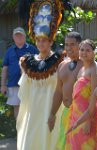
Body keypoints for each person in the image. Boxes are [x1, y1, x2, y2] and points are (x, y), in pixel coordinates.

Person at [16, 1, 67, 150]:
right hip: (33, 110)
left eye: (44, 40)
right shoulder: (27, 62)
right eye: (38, 40)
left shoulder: (60, 61)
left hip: (52, 109)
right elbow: (24, 90)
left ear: (51, 41)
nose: (40, 43)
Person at [48, 31, 83, 150]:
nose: (68, 48)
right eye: (66, 44)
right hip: (66, 112)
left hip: (82, 114)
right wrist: (52, 114)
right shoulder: (62, 65)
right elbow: (58, 91)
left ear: (80, 45)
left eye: (72, 44)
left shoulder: (87, 65)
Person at [66, 39, 97, 149]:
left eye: (88, 50)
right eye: (82, 50)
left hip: (88, 115)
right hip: (76, 114)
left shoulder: (95, 69)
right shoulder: (82, 69)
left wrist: (88, 121)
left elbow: (95, 96)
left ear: (94, 52)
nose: (84, 52)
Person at [1, 27, 38, 119]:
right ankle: (19, 132)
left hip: (30, 84)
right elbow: (5, 68)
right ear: (13, 38)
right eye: (16, 36)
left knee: (30, 107)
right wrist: (3, 85)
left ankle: (29, 132)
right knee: (16, 107)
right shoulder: (9, 51)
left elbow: (38, 66)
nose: (19, 37)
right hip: (13, 83)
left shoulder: (32, 49)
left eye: (20, 35)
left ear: (25, 37)